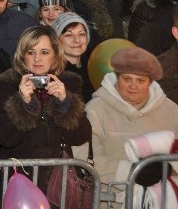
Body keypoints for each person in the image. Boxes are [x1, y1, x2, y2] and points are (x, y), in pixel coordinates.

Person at [0, 25, 92, 195]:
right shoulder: (7, 83)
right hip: (18, 181)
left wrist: (65, 103)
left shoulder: (69, 82)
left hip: (57, 183)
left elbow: (80, 136)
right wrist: (24, 103)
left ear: (55, 55)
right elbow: (4, 137)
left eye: (44, 52)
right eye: (31, 52)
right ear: (23, 55)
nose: (37, 58)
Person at [76, 47, 178, 207]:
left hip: (162, 202)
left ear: (151, 82)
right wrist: (131, 172)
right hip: (111, 201)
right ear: (116, 78)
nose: (133, 86)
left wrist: (166, 172)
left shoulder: (171, 111)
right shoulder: (95, 109)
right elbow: (85, 155)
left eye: (140, 80)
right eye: (126, 78)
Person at [52, 12, 94, 102]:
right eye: (69, 35)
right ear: (57, 40)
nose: (77, 40)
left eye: (81, 34)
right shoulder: (53, 75)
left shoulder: (94, 66)